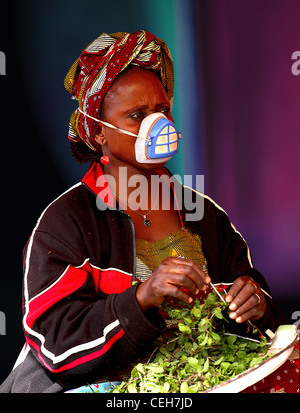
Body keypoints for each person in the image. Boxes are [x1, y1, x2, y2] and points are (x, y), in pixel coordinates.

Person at [0, 30, 284, 393]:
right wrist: (141, 298)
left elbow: (260, 325)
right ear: (99, 132)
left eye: (162, 110)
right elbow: (56, 347)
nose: (158, 125)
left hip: (196, 382)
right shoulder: (65, 223)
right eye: (137, 115)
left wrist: (256, 306)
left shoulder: (204, 215)